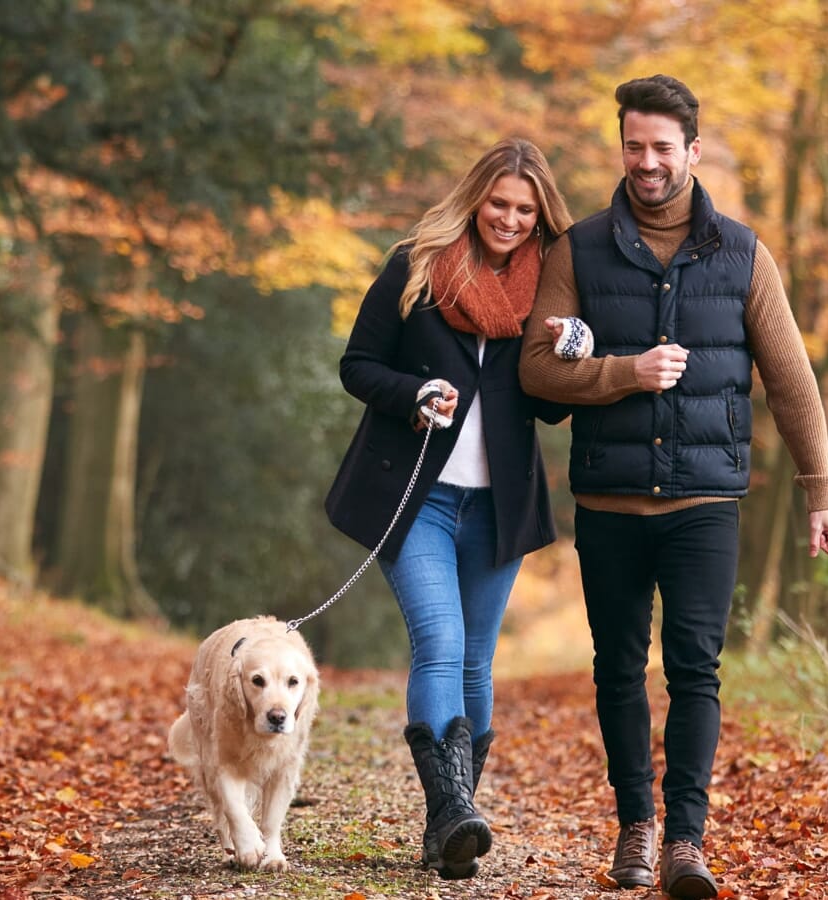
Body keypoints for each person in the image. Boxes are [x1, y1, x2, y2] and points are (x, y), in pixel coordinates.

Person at [519, 75, 828, 899]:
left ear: (693, 152)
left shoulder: (742, 254)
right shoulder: (579, 251)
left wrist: (821, 491)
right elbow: (534, 371)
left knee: (696, 670)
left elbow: (793, 381)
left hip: (705, 504)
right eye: (635, 146)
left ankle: (687, 843)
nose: (648, 162)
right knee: (619, 670)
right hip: (609, 503)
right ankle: (636, 829)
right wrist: (623, 373)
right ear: (621, 147)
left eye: (664, 148)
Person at [325, 137, 574, 880]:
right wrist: (414, 394)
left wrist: (569, 351)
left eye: (525, 210)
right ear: (475, 198)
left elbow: (554, 412)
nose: (510, 218)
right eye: (499, 203)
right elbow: (357, 365)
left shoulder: (551, 290)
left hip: (499, 508)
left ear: (540, 216)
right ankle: (453, 814)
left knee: (476, 658)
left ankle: (450, 824)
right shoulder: (417, 266)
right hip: (417, 497)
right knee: (439, 640)